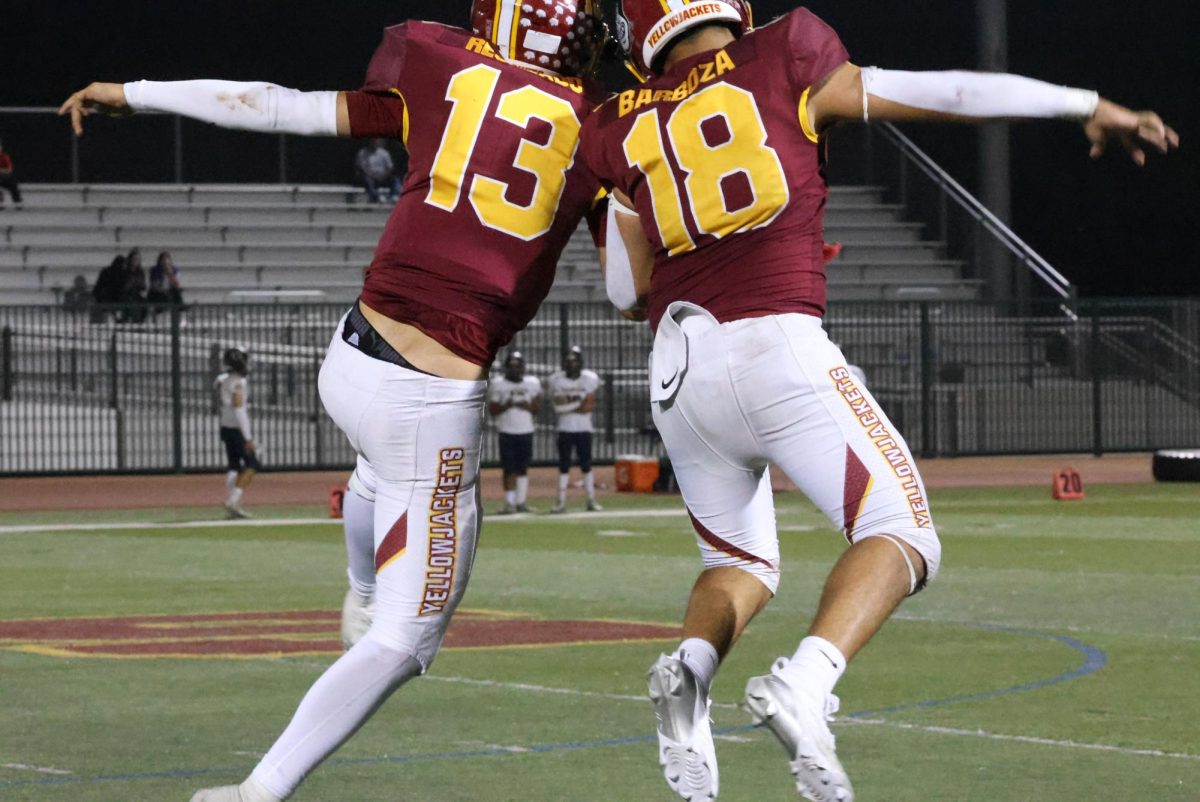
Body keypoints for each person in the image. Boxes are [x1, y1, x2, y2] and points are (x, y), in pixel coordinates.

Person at [584, 2, 1178, 800]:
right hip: (775, 341)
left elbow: (628, 290)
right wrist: (1083, 105)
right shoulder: (786, 51)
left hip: (678, 371)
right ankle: (806, 682)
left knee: (738, 564)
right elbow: (949, 94)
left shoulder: (617, 119)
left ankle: (688, 680)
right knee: (902, 531)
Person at [60, 2, 608, 799]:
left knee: (379, 465)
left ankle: (358, 580)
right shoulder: (600, 127)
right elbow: (631, 290)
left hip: (351, 354)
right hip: (429, 394)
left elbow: (278, 104)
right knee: (407, 636)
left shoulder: (443, 68)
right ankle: (258, 791)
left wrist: (133, 90)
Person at [547, 345, 602, 512]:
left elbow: (588, 406)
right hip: (565, 428)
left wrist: (569, 404)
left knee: (586, 465)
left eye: (575, 361)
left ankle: (591, 499)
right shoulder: (556, 379)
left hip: (584, 428)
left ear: (580, 362)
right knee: (564, 465)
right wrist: (578, 402)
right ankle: (561, 501)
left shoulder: (589, 378)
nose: (572, 364)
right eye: (569, 361)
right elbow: (558, 405)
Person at [487, 350, 542, 513]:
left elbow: (536, 407)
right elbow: (493, 409)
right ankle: (509, 503)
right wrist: (508, 404)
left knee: (523, 467)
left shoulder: (532, 383)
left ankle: (521, 501)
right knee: (509, 468)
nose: (515, 369)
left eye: (517, 366)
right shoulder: (499, 384)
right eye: (511, 366)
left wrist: (526, 405)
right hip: (507, 430)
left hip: (526, 430)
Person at [215, 347, 259, 519]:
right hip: (236, 429)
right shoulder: (238, 383)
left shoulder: (224, 380)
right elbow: (239, 410)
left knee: (234, 465)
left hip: (225, 426)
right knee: (252, 464)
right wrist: (248, 438)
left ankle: (232, 500)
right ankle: (233, 499)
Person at [355, 138, 402, 203]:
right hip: (370, 176)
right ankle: (377, 196)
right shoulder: (363, 153)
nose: (375, 143)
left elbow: (390, 167)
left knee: (395, 179)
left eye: (376, 141)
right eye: (373, 141)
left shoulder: (384, 153)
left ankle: (395, 195)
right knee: (367, 180)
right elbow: (363, 168)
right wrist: (373, 176)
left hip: (383, 176)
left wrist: (384, 175)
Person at [91, 255, 126, 322]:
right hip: (110, 300)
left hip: (107, 300)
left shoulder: (106, 271)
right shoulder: (120, 274)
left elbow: (98, 287)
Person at [120, 247, 147, 323]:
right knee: (132, 304)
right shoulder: (124, 271)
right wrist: (130, 283)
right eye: (134, 259)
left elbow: (143, 286)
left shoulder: (140, 272)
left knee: (145, 304)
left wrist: (139, 284)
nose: (136, 261)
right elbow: (123, 286)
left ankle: (140, 322)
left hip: (137, 294)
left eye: (138, 259)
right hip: (126, 295)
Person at [0, 138, 22, 209]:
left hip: (6, 179)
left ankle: (17, 202)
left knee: (13, 183)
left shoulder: (5, 156)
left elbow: (9, 170)